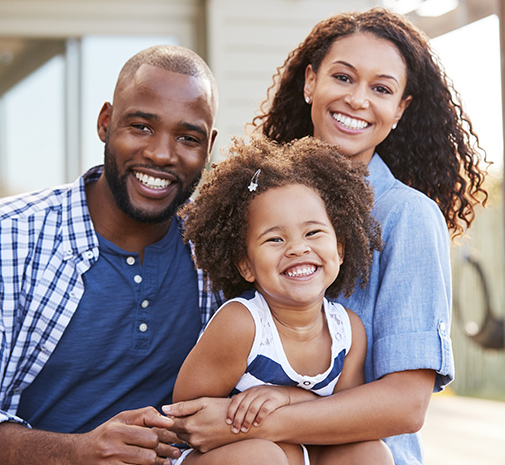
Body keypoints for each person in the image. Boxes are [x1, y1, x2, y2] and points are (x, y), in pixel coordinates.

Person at [164, 7, 489, 464]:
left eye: (381, 88)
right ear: (310, 81)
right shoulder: (255, 198)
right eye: (343, 77)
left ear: (401, 109)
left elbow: (406, 403)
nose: (358, 100)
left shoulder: (408, 217)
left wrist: (257, 417)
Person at [0, 44, 223, 464]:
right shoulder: (11, 239)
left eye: (187, 137)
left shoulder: (219, 254)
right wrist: (77, 452)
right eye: (141, 127)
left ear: (209, 146)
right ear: (105, 122)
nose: (161, 153)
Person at [172, 135, 390, 465]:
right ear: (246, 264)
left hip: (301, 449)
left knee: (370, 452)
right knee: (265, 457)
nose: (297, 248)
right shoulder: (242, 324)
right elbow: (187, 419)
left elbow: (346, 420)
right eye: (275, 238)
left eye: (313, 232)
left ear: (340, 248)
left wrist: (287, 397)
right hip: (226, 456)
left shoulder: (349, 332)